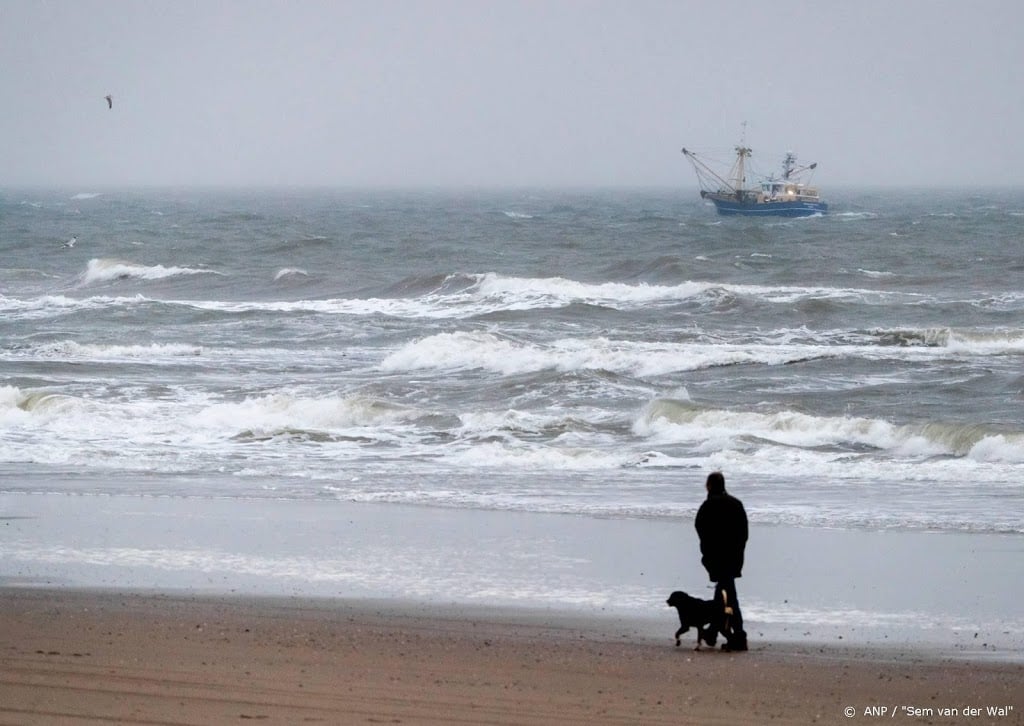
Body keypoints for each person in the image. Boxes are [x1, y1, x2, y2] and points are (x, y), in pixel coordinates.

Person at [694, 471, 748, 651]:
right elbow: (744, 533)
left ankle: (738, 636)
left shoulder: (708, 505)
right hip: (733, 556)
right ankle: (715, 632)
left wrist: (707, 553)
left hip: (717, 557)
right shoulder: (736, 504)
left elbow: (700, 529)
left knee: (728, 597)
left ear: (709, 486)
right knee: (724, 594)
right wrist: (738, 552)